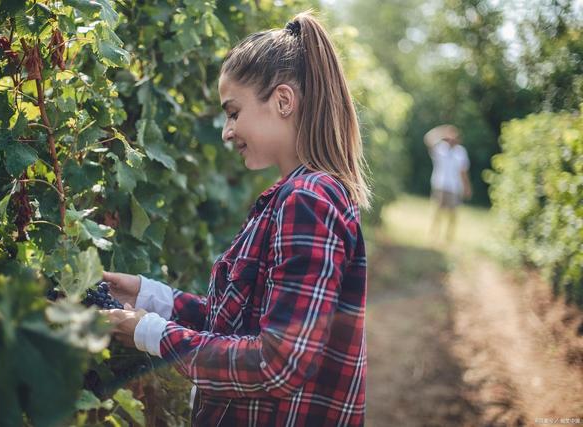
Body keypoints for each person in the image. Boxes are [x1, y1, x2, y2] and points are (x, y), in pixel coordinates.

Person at [102, 11, 371, 426]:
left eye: (233, 111)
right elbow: (240, 322)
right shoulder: (290, 197)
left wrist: (149, 332)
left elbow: (277, 362)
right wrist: (148, 297)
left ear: (283, 101)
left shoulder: (308, 200)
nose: (227, 131)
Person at [424, 124, 472, 243]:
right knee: (436, 213)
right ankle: (433, 236)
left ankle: (448, 238)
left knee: (452, 215)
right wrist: (442, 131)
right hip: (439, 185)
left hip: (454, 188)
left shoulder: (461, 152)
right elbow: (427, 138)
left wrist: (467, 187)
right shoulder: (440, 148)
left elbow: (463, 172)